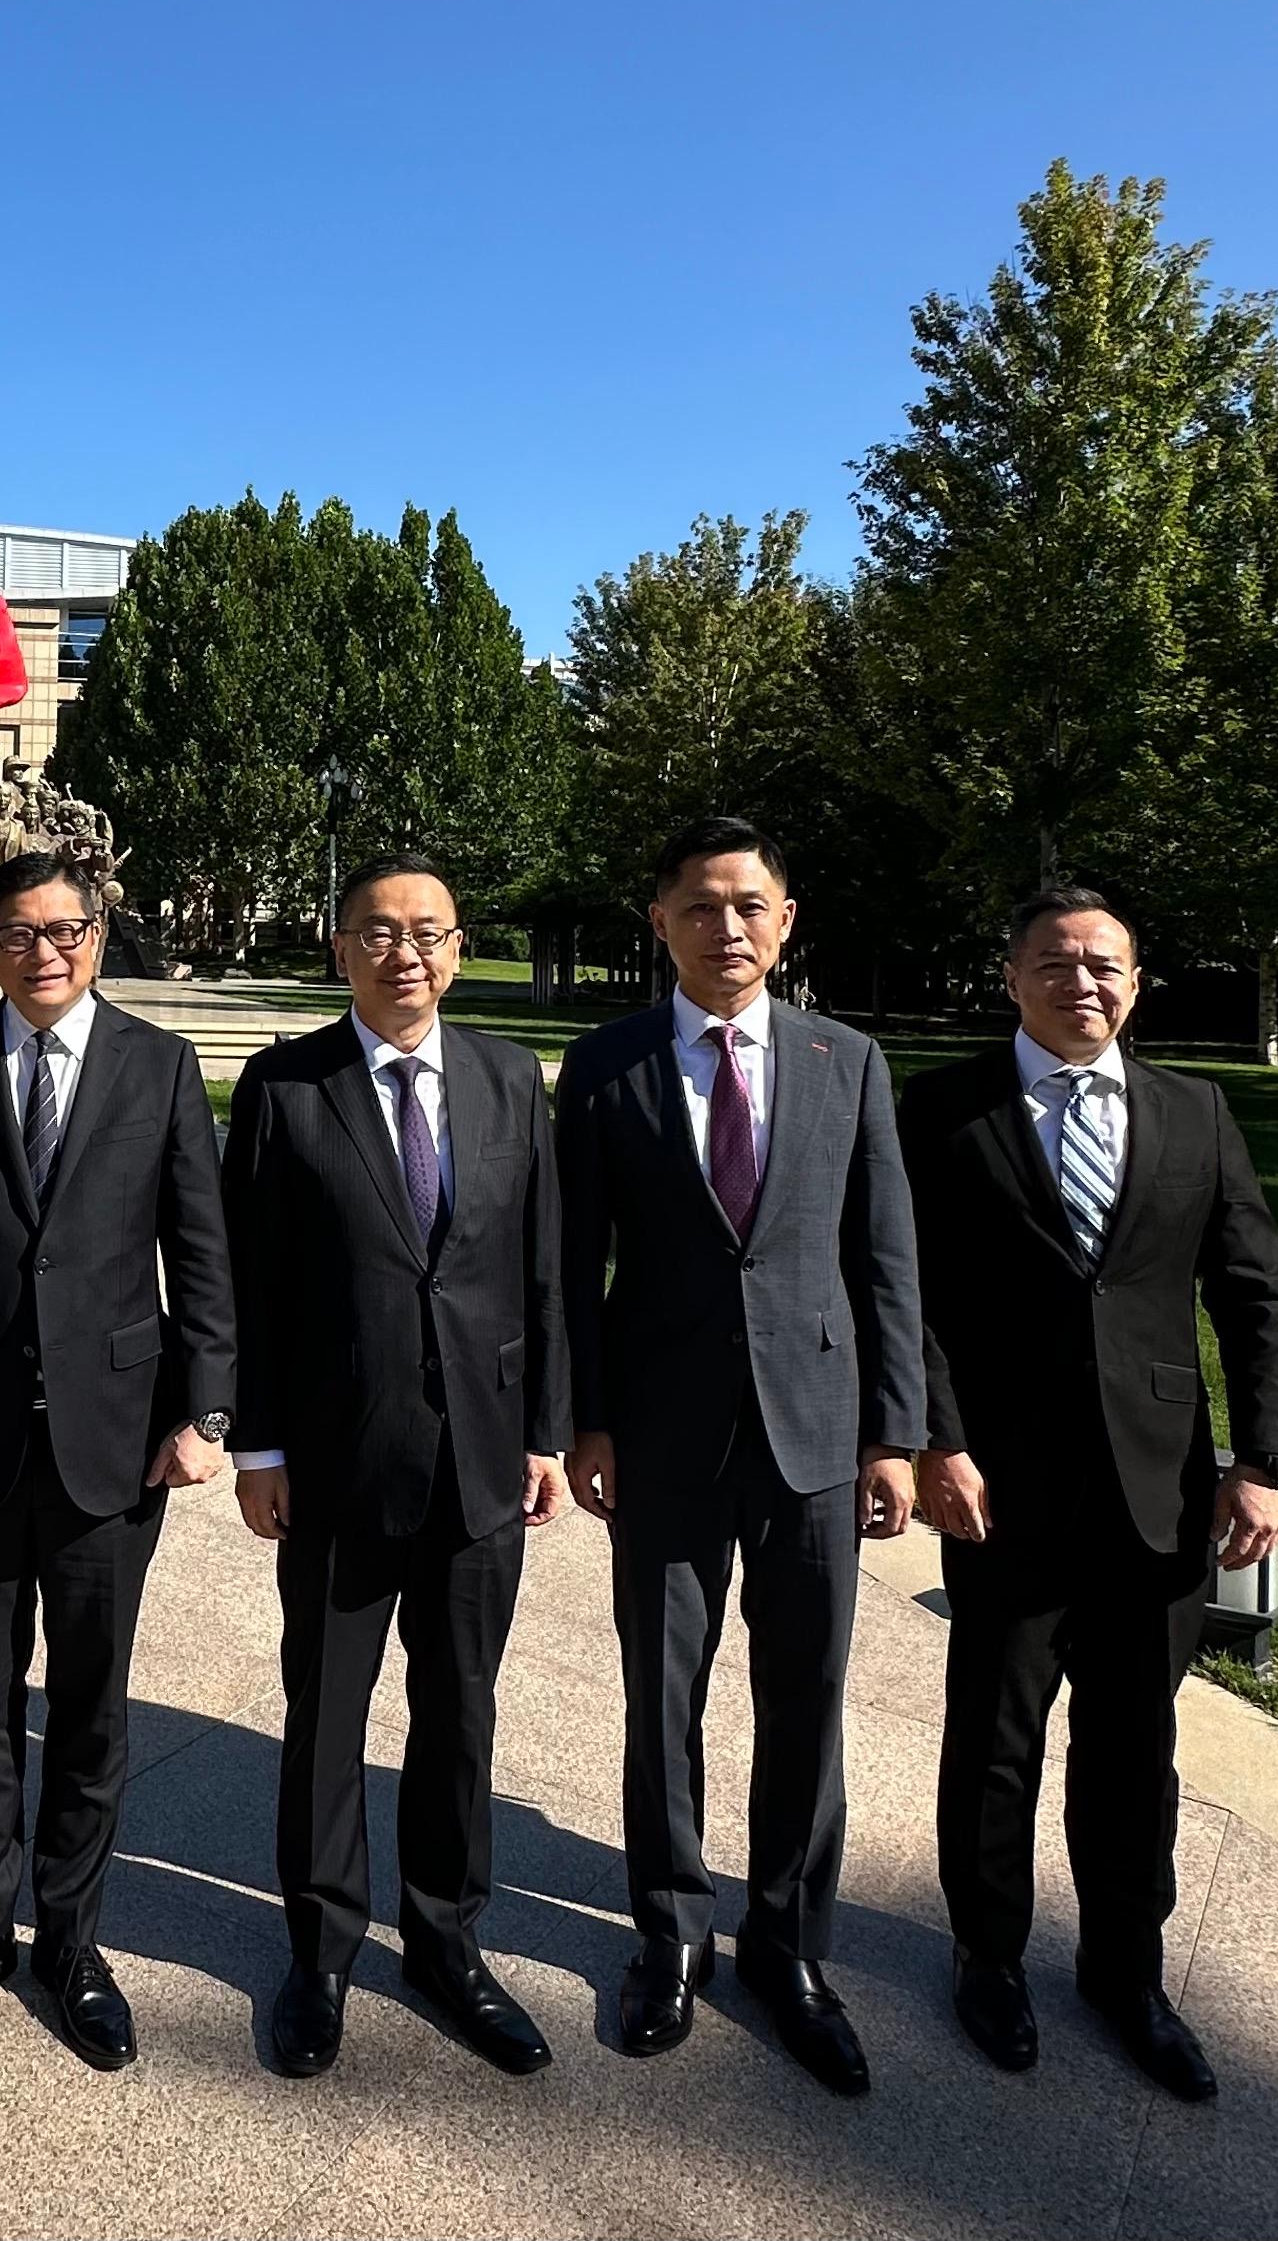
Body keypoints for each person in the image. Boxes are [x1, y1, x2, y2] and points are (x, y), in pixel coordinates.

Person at [900, 888, 1278, 2102]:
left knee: (1137, 1747)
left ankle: (1129, 1973)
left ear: (1136, 981)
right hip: (1000, 1490)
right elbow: (902, 1289)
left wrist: (1265, 1460)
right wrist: (935, 1440)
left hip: (1161, 1493)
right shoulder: (944, 1109)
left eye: (1106, 965)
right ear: (1010, 974)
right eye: (1056, 962)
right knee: (996, 1742)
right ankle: (989, 1956)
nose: (1083, 983)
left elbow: (1252, 1288)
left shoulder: (1195, 1110)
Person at [556, 817, 924, 2096]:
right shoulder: (603, 1068)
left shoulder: (847, 1062)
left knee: (806, 1697)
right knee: (664, 1698)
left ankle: (789, 1946)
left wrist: (898, 1432)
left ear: (786, 917)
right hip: (658, 1433)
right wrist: (584, 1418)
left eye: (750, 904)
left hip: (817, 1432)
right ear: (658, 919)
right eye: (701, 905)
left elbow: (887, 1260)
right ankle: (671, 1934)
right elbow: (572, 1268)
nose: (728, 927)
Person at [0, 851, 237, 2070]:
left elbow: (202, 1250)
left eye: (67, 929)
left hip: (114, 1445)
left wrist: (207, 1413)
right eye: (20, 932)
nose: (46, 951)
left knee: (89, 1709)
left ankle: (73, 1939)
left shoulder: (158, 1063)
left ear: (98, 931)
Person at [224, 855, 570, 2081]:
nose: (404, 952)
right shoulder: (282, 1085)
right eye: (379, 931)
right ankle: (319, 1950)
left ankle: (447, 1938)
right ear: (340, 947)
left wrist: (547, 1430)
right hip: (329, 1459)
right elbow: (247, 1285)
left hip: (481, 1456)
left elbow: (542, 1268)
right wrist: (253, 1442)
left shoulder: (508, 1076)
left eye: (427, 932)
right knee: (326, 1715)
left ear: (460, 948)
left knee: (460, 1712)